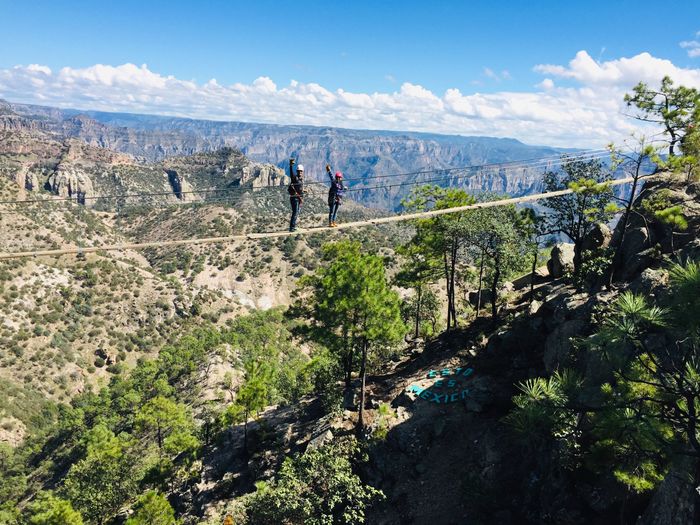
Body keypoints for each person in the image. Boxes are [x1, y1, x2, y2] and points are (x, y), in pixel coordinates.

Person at [287, 158, 304, 232]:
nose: (300, 172)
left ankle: (293, 226)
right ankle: (292, 227)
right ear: (297, 171)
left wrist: (303, 191)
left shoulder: (300, 179)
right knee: (295, 212)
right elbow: (291, 173)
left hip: (298, 198)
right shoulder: (295, 178)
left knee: (296, 212)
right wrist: (291, 165)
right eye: (299, 171)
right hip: (294, 198)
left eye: (301, 171)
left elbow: (298, 188)